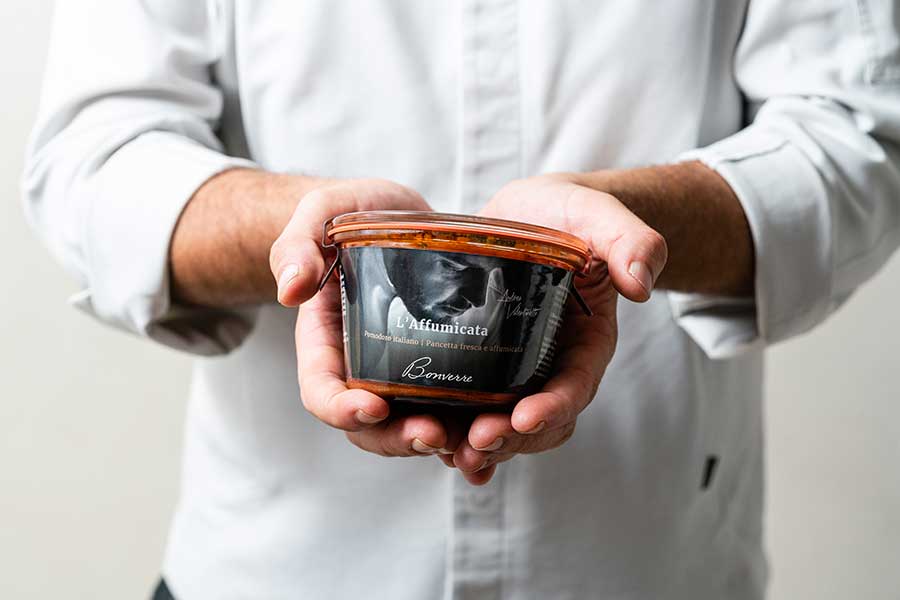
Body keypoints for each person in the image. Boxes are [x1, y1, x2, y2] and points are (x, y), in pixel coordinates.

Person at [22, 2, 900, 599]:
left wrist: (622, 224)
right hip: (278, 569)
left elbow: (856, 140)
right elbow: (94, 161)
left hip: (650, 562)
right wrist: (307, 236)